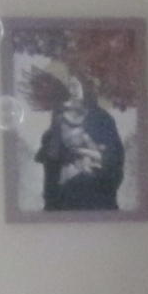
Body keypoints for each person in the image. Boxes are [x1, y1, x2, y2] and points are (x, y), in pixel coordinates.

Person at [26, 66, 128, 213]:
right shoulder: (59, 116)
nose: (72, 90)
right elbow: (52, 156)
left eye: (76, 85)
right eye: (70, 86)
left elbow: (113, 156)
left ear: (86, 87)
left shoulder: (100, 118)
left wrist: (90, 157)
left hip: (96, 193)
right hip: (65, 194)